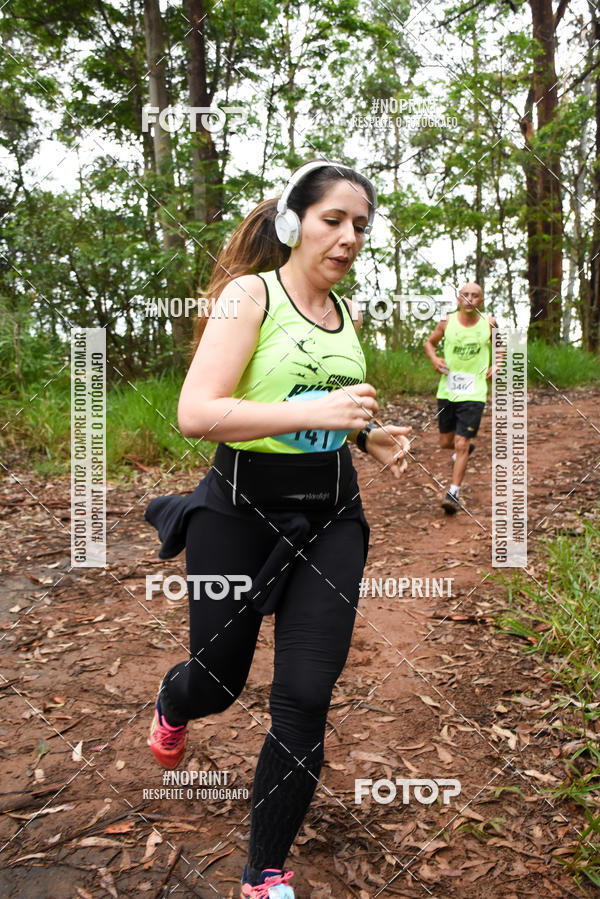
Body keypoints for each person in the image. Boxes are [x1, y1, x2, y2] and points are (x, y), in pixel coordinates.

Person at [144, 160, 412, 899]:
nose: (350, 236)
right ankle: (173, 701)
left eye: (361, 224)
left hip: (331, 518)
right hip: (238, 513)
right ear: (295, 223)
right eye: (334, 219)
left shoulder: (346, 314)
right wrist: (318, 415)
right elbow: (199, 412)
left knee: (303, 694)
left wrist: (368, 435)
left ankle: (264, 874)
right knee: (219, 681)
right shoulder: (249, 296)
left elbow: (317, 404)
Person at [424, 282, 498, 514]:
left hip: (474, 391)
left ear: (481, 301)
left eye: (475, 296)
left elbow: (502, 346)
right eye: (465, 295)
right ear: (458, 299)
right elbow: (429, 343)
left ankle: (453, 493)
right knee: (446, 442)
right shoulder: (447, 322)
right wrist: (435, 360)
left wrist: (497, 365)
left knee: (461, 442)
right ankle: (461, 450)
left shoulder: (490, 322)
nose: (469, 299)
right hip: (448, 389)